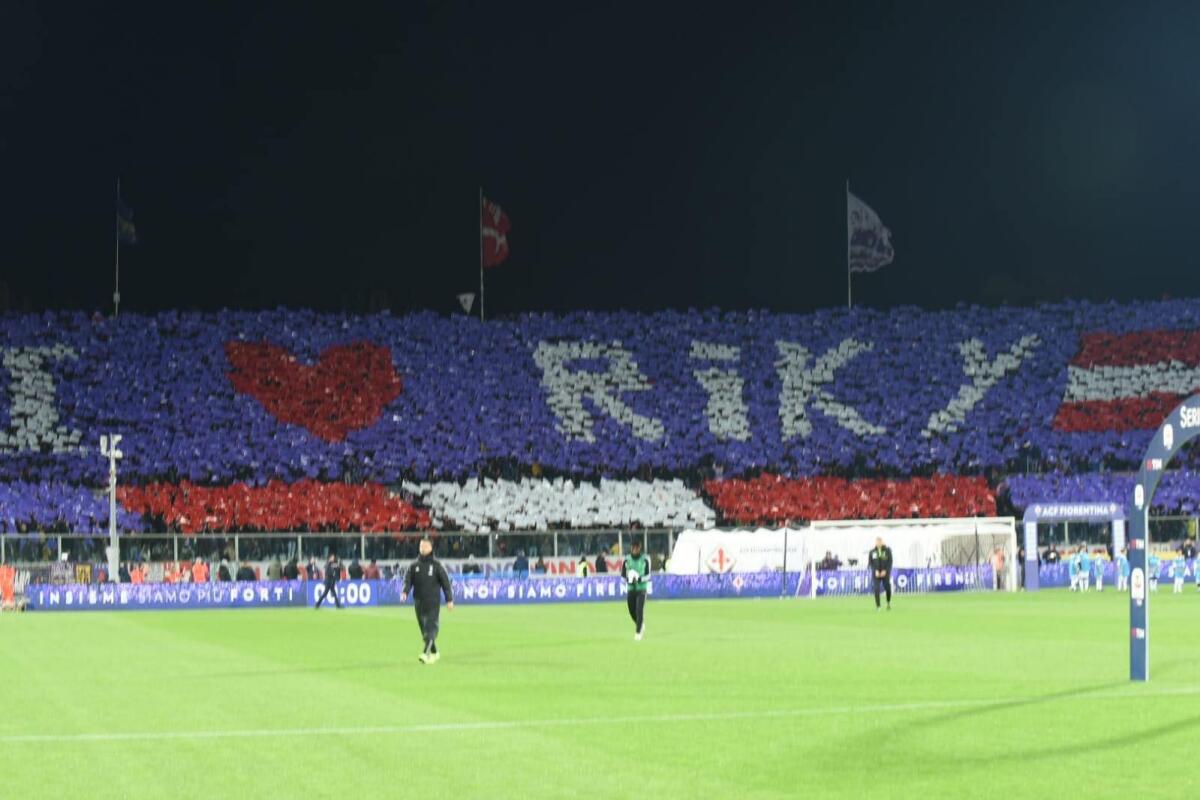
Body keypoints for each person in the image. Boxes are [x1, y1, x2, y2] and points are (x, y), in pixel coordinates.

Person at [401, 538, 455, 664]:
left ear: (431, 548)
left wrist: (449, 599)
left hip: (433, 602)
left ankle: (425, 654)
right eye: (421, 546)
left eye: (425, 546)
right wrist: (404, 592)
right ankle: (435, 653)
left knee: (430, 627)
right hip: (418, 602)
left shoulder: (437, 565)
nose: (423, 548)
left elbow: (446, 583)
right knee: (424, 630)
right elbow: (407, 581)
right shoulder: (414, 565)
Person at [621, 539, 651, 640]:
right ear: (631, 548)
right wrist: (628, 580)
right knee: (631, 611)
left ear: (639, 548)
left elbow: (648, 576)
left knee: (639, 610)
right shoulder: (627, 560)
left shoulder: (645, 559)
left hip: (641, 589)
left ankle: (638, 633)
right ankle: (640, 624)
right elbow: (622, 577)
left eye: (636, 547)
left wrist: (639, 579)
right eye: (633, 547)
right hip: (631, 589)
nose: (634, 549)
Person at [867, 537, 893, 610]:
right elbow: (870, 563)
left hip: (885, 573)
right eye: (877, 542)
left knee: (887, 587)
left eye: (880, 542)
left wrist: (885, 570)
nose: (878, 543)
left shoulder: (887, 550)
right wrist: (875, 570)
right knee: (876, 588)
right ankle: (878, 606)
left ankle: (888, 602)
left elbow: (890, 562)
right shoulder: (872, 552)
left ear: (882, 542)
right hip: (876, 574)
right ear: (875, 543)